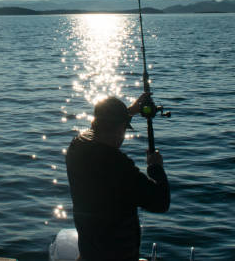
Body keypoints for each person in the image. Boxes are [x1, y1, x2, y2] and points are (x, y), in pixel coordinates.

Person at [65, 94, 170, 261]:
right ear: (119, 128)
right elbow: (161, 202)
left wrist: (130, 111)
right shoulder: (118, 166)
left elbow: (106, 124)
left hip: (89, 253)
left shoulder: (77, 146)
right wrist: (156, 167)